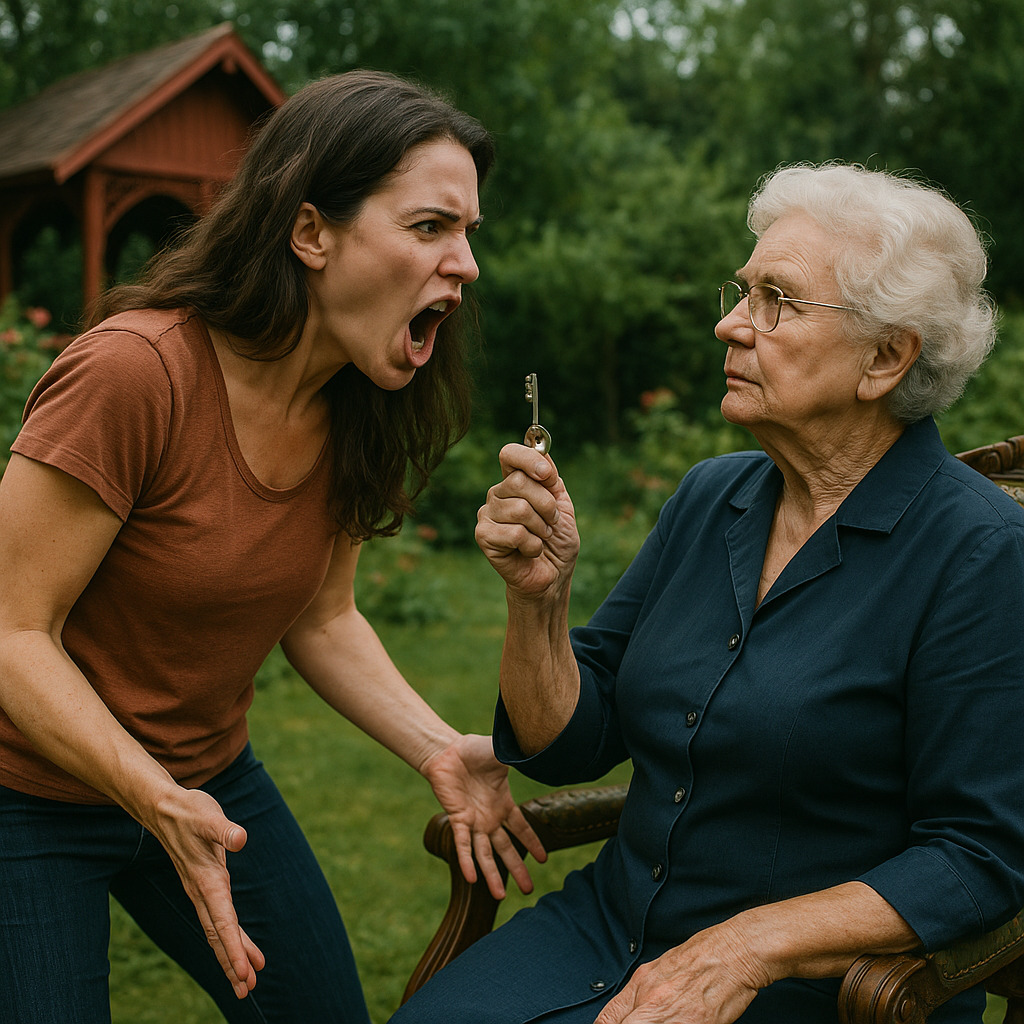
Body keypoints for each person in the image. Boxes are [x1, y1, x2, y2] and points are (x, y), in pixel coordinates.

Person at [392, 163, 1024, 1024]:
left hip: (811, 988)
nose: (731, 324)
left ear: (885, 358)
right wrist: (538, 602)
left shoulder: (981, 553)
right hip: (611, 930)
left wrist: (744, 947)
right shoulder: (713, 496)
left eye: (778, 301)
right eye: (744, 289)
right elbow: (573, 741)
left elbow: (978, 859)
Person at [0, 70, 545, 1024]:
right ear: (310, 233)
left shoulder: (354, 407)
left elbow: (323, 616)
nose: (463, 263)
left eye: (468, 234)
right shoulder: (137, 374)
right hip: (26, 791)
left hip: (208, 776)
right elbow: (11, 631)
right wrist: (150, 795)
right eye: (429, 227)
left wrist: (435, 751)